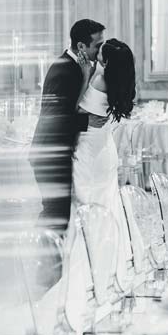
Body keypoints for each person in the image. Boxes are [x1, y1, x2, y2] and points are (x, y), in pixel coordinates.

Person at [32, 37, 140, 335]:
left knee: (85, 211)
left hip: (88, 157)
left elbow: (74, 110)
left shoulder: (99, 79)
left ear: (106, 61)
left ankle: (87, 277)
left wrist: (86, 74)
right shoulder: (119, 82)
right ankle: (110, 270)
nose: (95, 56)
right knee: (107, 208)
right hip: (104, 152)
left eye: (100, 53)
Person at [29, 18, 108, 233]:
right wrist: (87, 121)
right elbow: (54, 119)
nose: (101, 50)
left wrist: (86, 76)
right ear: (81, 46)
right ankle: (39, 251)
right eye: (98, 45)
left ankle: (46, 250)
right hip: (50, 155)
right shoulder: (63, 70)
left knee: (59, 215)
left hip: (56, 152)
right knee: (56, 215)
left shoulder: (77, 67)